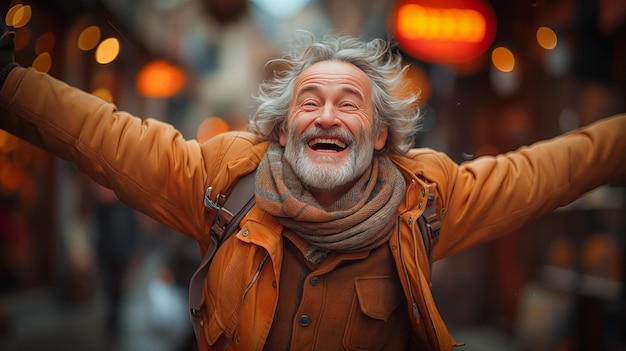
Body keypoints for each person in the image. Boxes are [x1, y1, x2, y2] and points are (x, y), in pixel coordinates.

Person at [1, 19, 625, 350]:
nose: (327, 116)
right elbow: (107, 136)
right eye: (310, 101)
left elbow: (549, 171)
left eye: (348, 103)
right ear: (283, 127)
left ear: (379, 134)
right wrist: (8, 85)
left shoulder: (426, 198)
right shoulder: (223, 179)